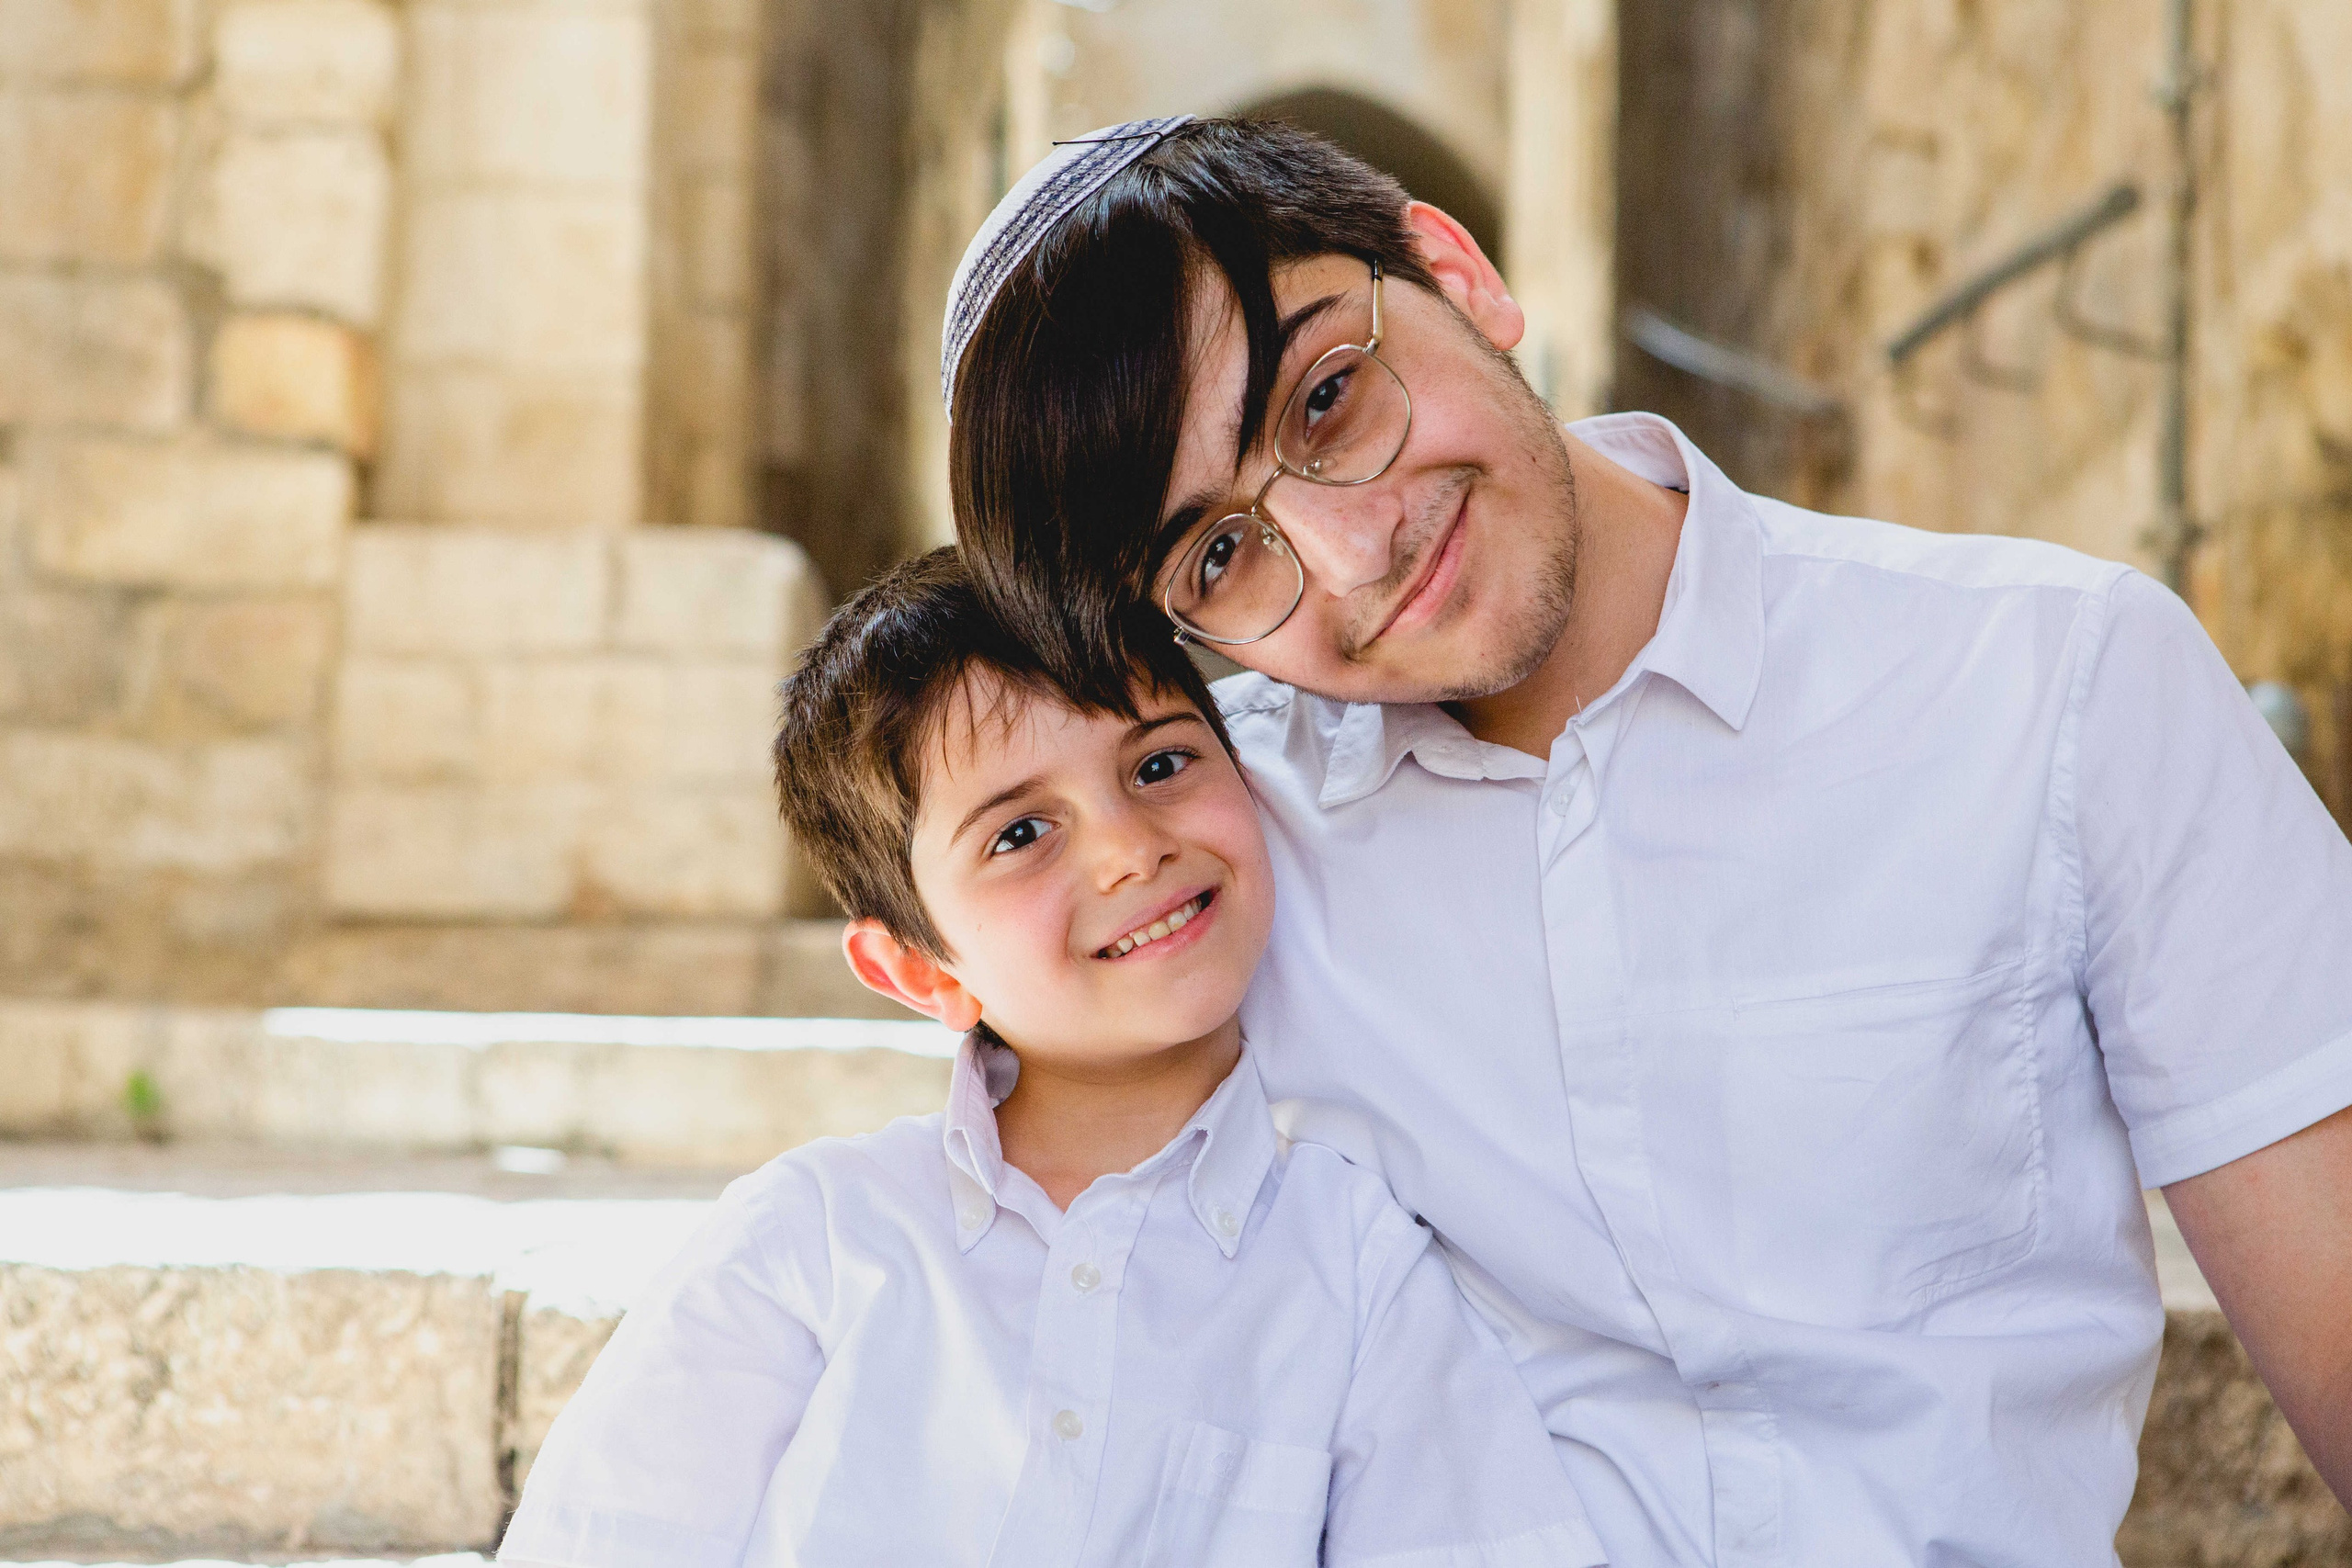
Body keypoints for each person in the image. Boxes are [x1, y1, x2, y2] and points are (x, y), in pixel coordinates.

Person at [942, 116, 2352, 1564]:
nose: (1355, 552)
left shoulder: (2056, 681)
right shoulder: (1222, 854)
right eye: (1223, 553)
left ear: (1457, 273)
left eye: (1330, 398)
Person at [497, 547, 1604, 1568]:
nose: (1130, 849)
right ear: (920, 971)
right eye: (1020, 833)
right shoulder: (812, 1244)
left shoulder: (1356, 1271)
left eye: (1160, 763)